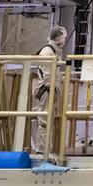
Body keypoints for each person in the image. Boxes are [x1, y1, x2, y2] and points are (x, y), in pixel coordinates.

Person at [32, 26, 67, 155]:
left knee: (48, 121)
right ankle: (42, 151)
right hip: (47, 91)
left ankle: (46, 149)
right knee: (44, 121)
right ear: (59, 38)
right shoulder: (47, 51)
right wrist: (54, 91)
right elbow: (48, 76)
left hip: (51, 90)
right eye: (63, 37)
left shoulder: (54, 51)